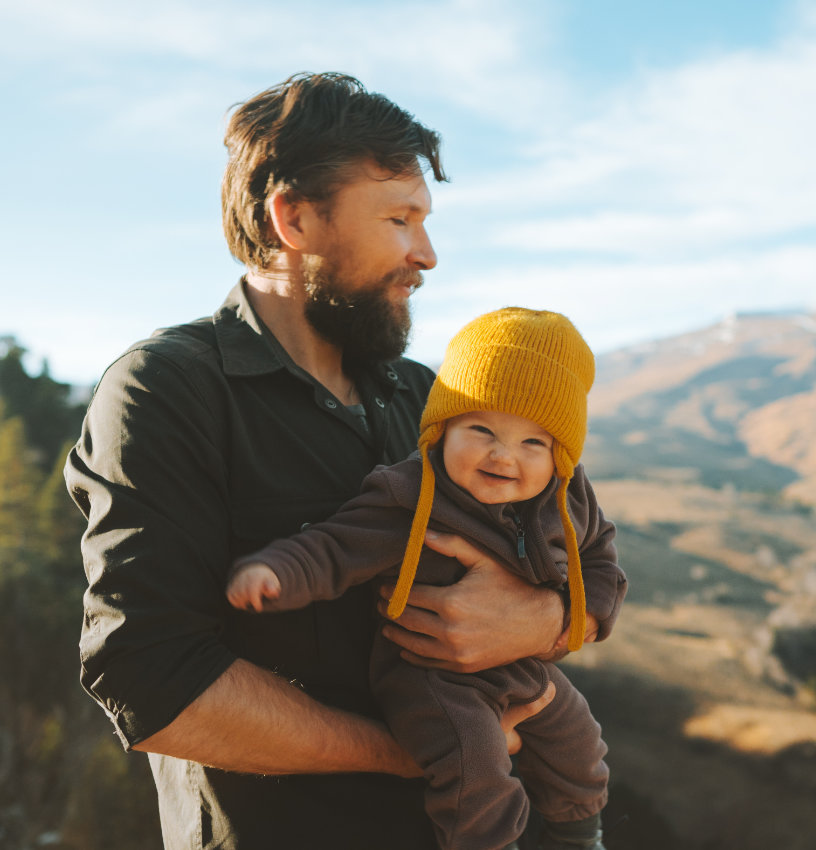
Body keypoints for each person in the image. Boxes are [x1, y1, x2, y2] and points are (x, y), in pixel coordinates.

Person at [64, 73, 590, 850]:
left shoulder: (429, 398)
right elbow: (152, 682)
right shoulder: (168, 390)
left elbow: (568, 537)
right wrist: (410, 751)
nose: (428, 253)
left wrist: (544, 616)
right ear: (296, 217)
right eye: (400, 219)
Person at [227, 307, 626, 850]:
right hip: (432, 677)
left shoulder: (567, 496)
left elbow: (599, 556)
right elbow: (335, 545)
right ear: (441, 430)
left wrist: (584, 616)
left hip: (524, 666)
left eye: (534, 443)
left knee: (579, 744)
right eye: (481, 428)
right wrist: (277, 571)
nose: (503, 455)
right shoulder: (410, 493)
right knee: (474, 766)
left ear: (561, 455)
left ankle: (579, 835)